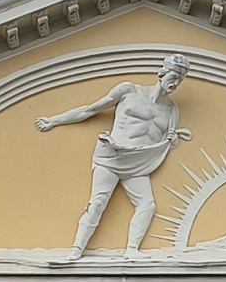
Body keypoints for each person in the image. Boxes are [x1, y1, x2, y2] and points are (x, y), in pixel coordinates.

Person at [38, 56, 189, 254]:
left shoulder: (171, 111)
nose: (176, 82)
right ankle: (76, 249)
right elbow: (90, 110)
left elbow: (167, 142)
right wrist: (54, 121)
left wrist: (173, 140)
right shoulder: (129, 90)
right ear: (162, 73)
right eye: (174, 75)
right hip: (111, 156)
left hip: (137, 163)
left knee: (148, 205)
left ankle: (131, 251)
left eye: (181, 79)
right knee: (98, 202)